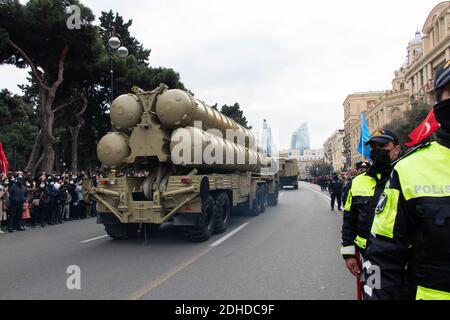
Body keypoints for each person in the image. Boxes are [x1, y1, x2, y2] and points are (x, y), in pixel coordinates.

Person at [365, 61, 450, 300]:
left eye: (383, 147)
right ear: (437, 101)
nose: (377, 151)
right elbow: (379, 256)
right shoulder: (408, 170)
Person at [340, 129, 402, 291]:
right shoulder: (357, 182)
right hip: (370, 258)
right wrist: (349, 254)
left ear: (397, 149)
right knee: (374, 293)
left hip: (403, 259)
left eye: (382, 146)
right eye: (373, 147)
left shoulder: (407, 177)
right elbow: (349, 221)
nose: (377, 151)